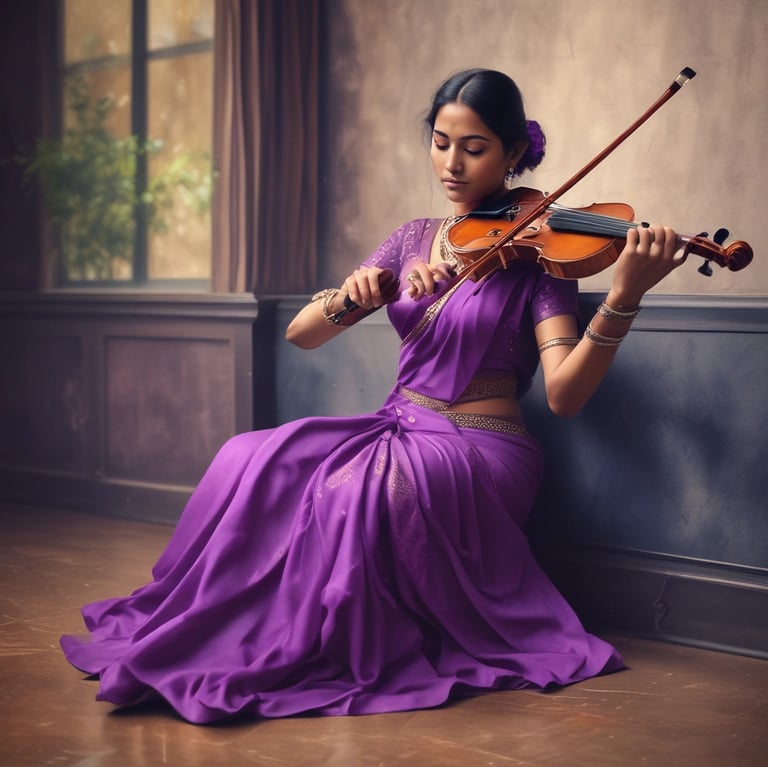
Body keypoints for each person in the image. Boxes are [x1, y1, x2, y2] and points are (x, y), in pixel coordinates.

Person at [61, 69, 685, 724]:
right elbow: (304, 334)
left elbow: (563, 395)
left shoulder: (541, 258)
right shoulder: (413, 237)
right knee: (250, 457)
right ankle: (243, 627)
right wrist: (357, 295)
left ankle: (326, 645)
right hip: (401, 423)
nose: (451, 162)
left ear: (512, 154)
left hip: (484, 449)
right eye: (441, 142)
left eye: (474, 148)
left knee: (358, 491)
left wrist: (624, 296)